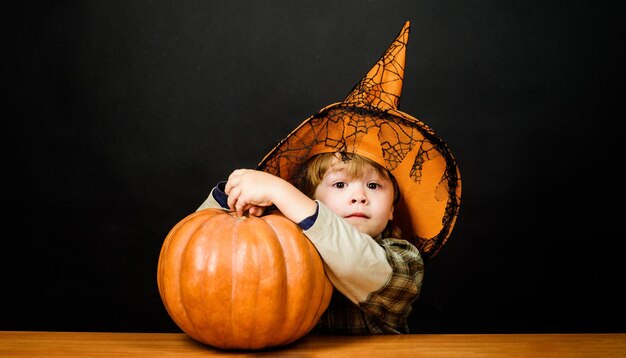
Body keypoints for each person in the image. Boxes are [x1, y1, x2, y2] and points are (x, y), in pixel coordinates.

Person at [197, 21, 461, 334]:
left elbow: (352, 261)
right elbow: (202, 256)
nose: (359, 196)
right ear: (310, 199)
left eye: (374, 186)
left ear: (392, 208)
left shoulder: (403, 261)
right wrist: (235, 193)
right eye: (339, 184)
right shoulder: (286, 249)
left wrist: (279, 191)